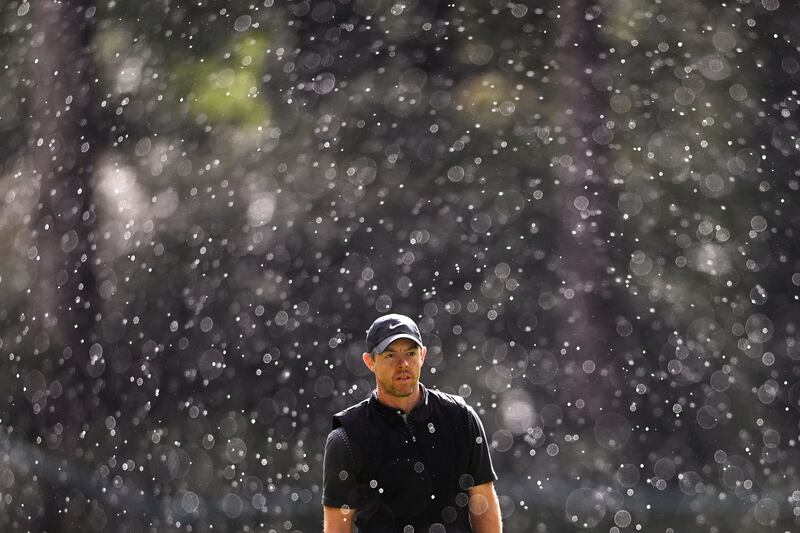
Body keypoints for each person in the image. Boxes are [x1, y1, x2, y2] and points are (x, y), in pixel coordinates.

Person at [322, 313, 502, 533]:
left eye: (410, 353)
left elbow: (483, 502)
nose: (403, 364)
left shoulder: (461, 418)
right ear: (370, 361)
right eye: (390, 355)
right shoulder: (347, 437)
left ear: (423, 355)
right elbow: (337, 528)